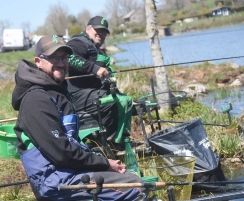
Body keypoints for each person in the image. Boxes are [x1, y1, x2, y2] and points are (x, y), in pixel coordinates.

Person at [11, 34, 148, 201]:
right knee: (136, 187)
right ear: (38, 61)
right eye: (54, 58)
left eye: (64, 57)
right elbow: (61, 152)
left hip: (69, 170)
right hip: (55, 180)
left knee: (131, 178)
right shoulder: (36, 100)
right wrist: (105, 164)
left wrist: (102, 163)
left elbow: (71, 145)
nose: (61, 63)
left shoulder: (55, 91)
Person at [66, 16, 134, 148]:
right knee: (112, 102)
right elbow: (69, 57)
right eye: (98, 30)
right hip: (76, 95)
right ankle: (107, 143)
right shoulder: (79, 42)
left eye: (104, 32)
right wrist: (94, 68)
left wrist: (119, 93)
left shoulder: (97, 50)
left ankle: (117, 140)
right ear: (87, 29)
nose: (101, 34)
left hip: (91, 92)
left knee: (125, 100)